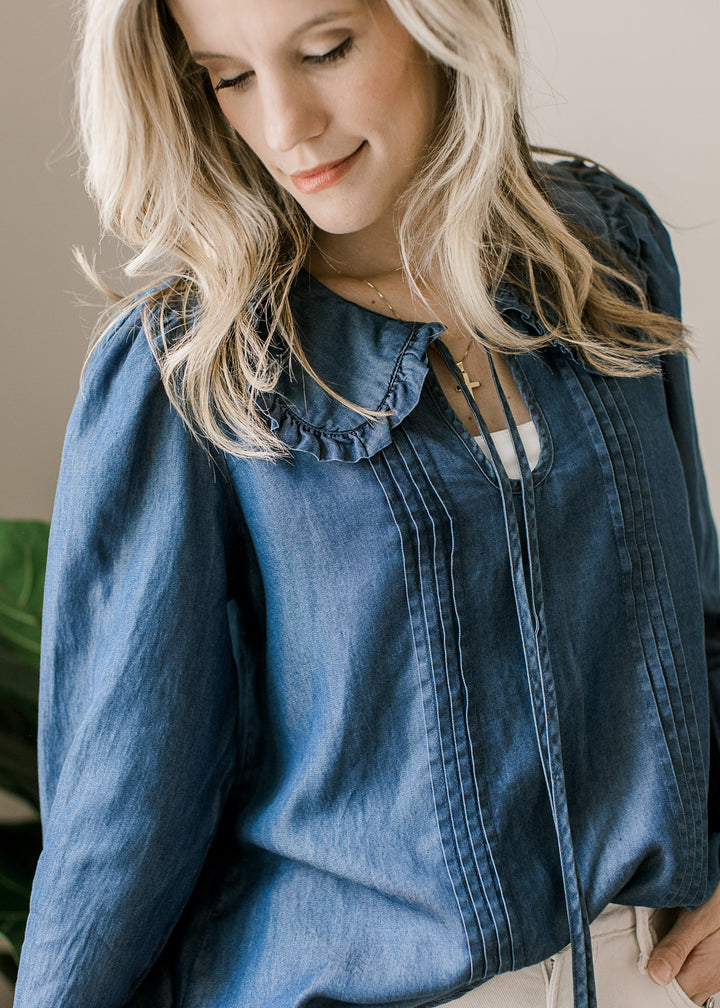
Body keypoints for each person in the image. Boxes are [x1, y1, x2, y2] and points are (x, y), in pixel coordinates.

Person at [11, 0, 720, 1006]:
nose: (285, 124)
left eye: (325, 49)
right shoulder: (192, 370)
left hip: (646, 977)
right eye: (230, 75)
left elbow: (696, 617)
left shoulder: (604, 249)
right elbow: (116, 826)